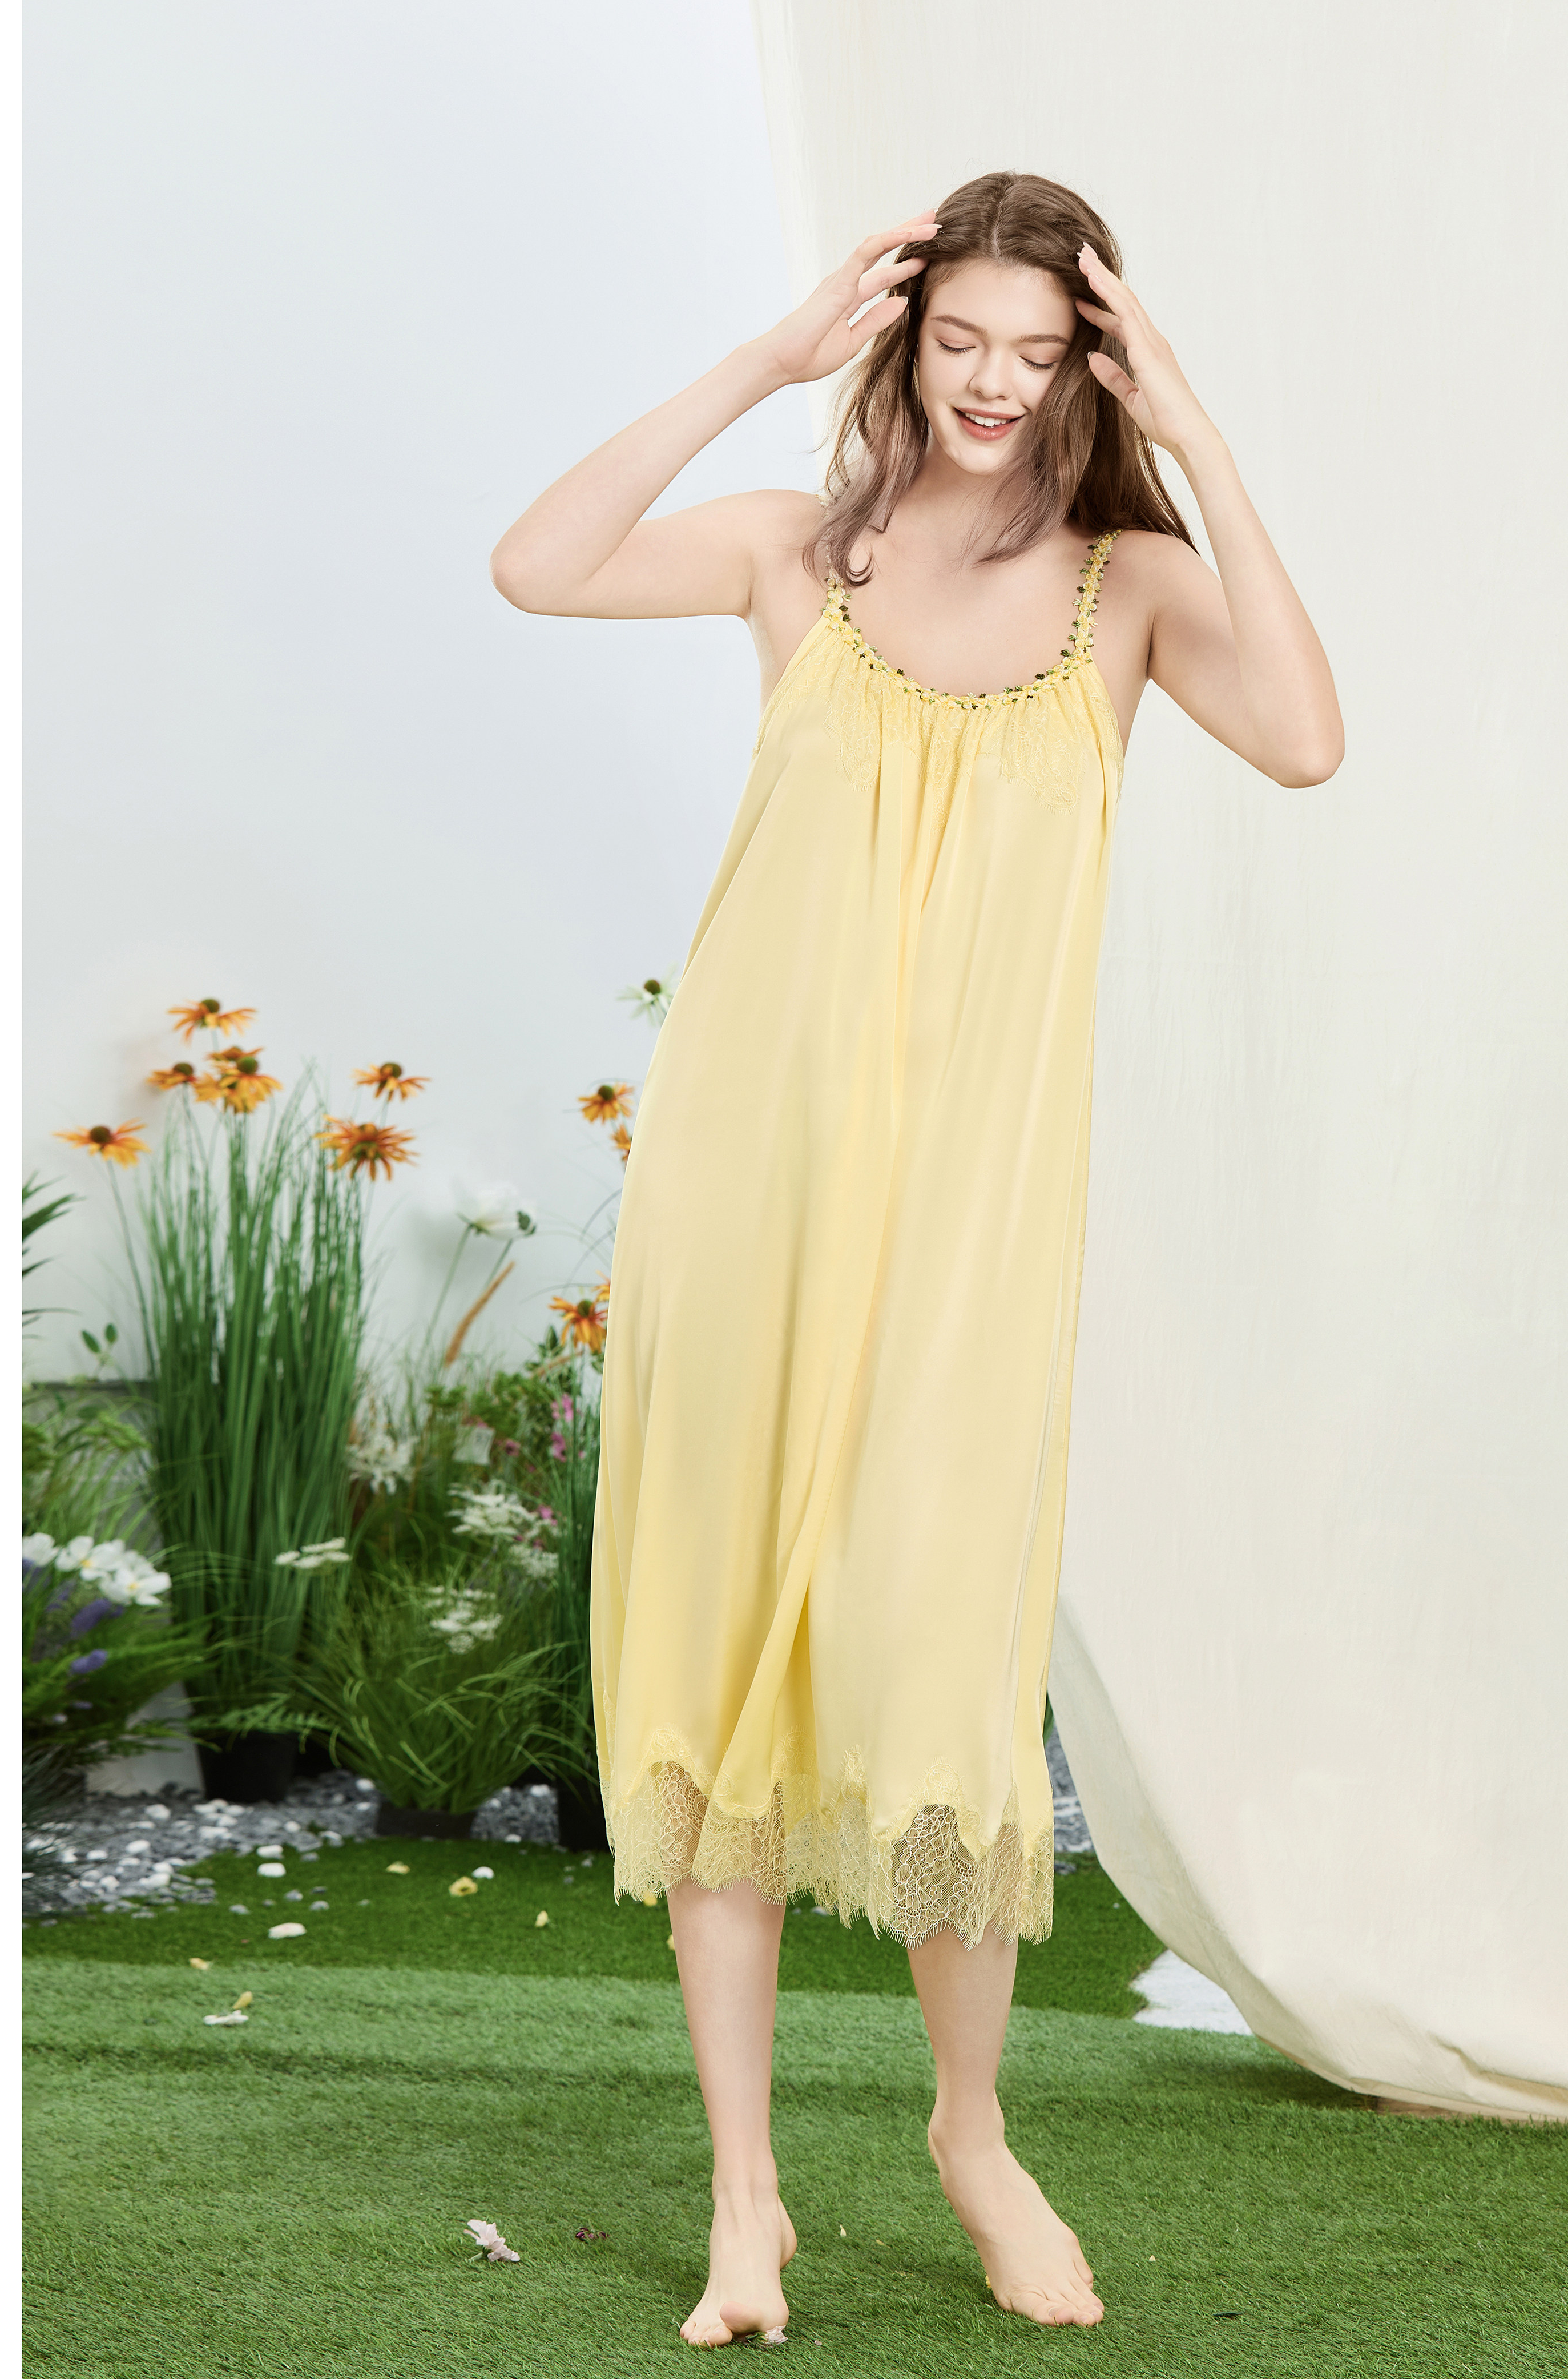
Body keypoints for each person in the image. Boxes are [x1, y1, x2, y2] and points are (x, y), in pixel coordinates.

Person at [490, 170, 1341, 2348]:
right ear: (901, 337)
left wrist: (1205, 437)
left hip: (971, 1228)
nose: (990, 383)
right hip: (745, 1195)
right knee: (720, 1668)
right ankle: (746, 2197)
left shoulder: (1131, 588)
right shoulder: (802, 552)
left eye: (1036, 352)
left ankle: (972, 2132)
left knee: (937, 1656)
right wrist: (762, 363)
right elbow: (538, 564)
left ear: (1091, 369)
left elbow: (1308, 739)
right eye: (958, 338)